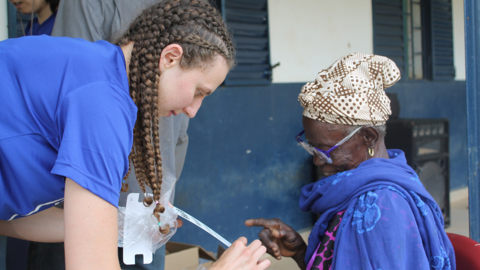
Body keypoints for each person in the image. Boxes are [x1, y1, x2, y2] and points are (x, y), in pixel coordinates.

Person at [0, 0, 270, 269]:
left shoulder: (97, 66)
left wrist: (119, 226)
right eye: (199, 91)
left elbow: (11, 220)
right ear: (170, 57)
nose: (193, 110)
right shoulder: (102, 103)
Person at [246, 53, 455, 270]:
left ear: (368, 137)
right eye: (311, 147)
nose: (317, 160)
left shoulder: (380, 204)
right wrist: (301, 252)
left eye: (326, 150)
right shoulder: (390, 173)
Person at [27, 1, 190, 269]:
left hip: (135, 208)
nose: (192, 109)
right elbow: (74, 84)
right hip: (97, 197)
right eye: (198, 92)